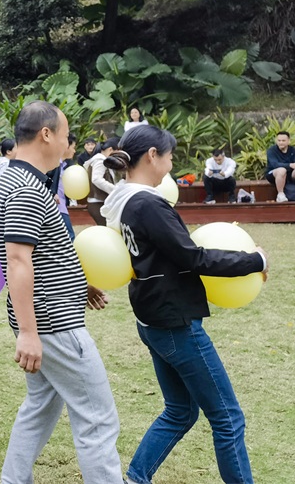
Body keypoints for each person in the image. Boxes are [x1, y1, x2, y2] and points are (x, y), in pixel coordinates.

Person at [100, 125, 267, 484]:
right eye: (170, 155)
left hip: (153, 319)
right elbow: (194, 257)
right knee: (228, 417)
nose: (173, 162)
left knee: (180, 411)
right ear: (152, 156)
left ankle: (135, 477)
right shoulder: (146, 204)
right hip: (174, 322)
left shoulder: (124, 201)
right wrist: (255, 262)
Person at [0, 101, 122, 484]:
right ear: (46, 134)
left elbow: (42, 253)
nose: (69, 143)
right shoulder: (26, 188)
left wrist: (80, 285)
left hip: (47, 317)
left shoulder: (21, 180)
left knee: (40, 408)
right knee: (97, 418)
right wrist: (30, 334)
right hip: (54, 324)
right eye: (65, 134)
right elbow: (18, 261)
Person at [266, 131, 295, 202]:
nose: (281, 142)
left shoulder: (293, 150)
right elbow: (274, 164)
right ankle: (280, 194)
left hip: (290, 174)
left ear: (288, 141)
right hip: (274, 173)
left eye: (283, 140)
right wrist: (290, 165)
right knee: (282, 170)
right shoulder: (271, 150)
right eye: (279, 140)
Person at [84, 139, 118, 225]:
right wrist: (115, 190)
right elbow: (96, 179)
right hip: (98, 202)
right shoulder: (100, 160)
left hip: (98, 201)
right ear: (110, 150)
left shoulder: (99, 160)